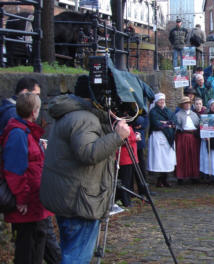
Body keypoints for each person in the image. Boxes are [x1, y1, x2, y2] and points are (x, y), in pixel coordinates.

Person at [40, 79, 130, 263]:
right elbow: (88, 153)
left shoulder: (70, 113)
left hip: (68, 195)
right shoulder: (84, 118)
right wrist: (117, 137)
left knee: (69, 252)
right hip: (79, 201)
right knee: (76, 257)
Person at [2, 93, 60, 264]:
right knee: (29, 249)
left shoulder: (25, 132)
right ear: (35, 112)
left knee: (37, 244)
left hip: (34, 200)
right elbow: (15, 170)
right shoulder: (18, 134)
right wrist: (22, 198)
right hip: (28, 204)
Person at [147, 93, 177, 188]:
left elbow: (173, 122)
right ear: (156, 102)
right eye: (160, 100)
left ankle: (165, 179)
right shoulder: (153, 112)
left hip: (168, 137)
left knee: (167, 159)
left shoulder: (168, 111)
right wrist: (167, 124)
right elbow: (156, 124)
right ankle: (159, 180)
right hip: (158, 136)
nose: (162, 102)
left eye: (163, 100)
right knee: (159, 159)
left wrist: (166, 123)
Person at [174, 96, 201, 184]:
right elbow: (176, 125)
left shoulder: (194, 114)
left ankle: (194, 176)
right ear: (182, 105)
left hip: (193, 137)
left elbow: (198, 124)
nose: (187, 105)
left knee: (193, 156)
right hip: (183, 136)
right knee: (182, 156)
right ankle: (181, 176)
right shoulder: (178, 114)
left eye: (188, 103)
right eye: (185, 103)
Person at [116, 123, 137, 207]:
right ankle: (125, 201)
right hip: (124, 158)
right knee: (125, 181)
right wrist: (135, 138)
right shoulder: (120, 126)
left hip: (129, 157)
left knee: (128, 180)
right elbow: (123, 140)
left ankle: (127, 199)